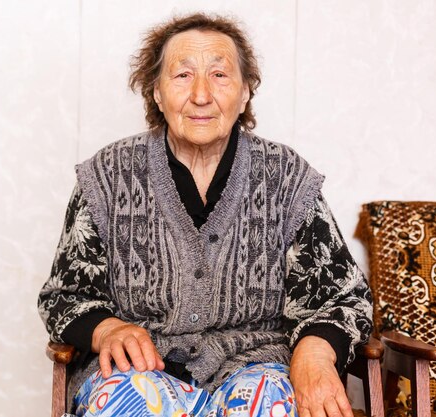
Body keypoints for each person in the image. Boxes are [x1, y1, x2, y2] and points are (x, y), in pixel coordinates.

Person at [38, 12, 372, 417]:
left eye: (219, 75)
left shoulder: (286, 176)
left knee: (271, 401)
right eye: (182, 76)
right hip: (141, 369)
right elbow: (64, 296)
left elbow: (342, 297)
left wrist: (314, 353)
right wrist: (108, 329)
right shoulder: (107, 175)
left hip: (256, 364)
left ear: (246, 92)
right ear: (156, 92)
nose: (200, 95)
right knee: (128, 402)